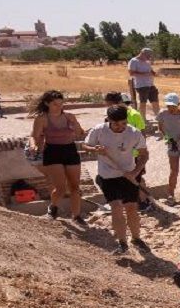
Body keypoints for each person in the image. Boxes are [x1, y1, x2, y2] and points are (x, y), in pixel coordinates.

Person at [83, 105, 151, 256]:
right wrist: (95, 150)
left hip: (129, 174)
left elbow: (144, 154)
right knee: (116, 206)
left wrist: (134, 172)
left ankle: (136, 238)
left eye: (123, 123)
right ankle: (122, 243)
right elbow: (85, 145)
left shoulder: (134, 133)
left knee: (132, 208)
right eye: (116, 124)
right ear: (109, 120)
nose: (121, 127)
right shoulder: (99, 130)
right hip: (107, 176)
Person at [30, 90, 87, 224]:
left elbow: (80, 134)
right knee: (60, 188)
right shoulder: (42, 118)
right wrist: (34, 146)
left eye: (61, 104)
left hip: (70, 150)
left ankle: (76, 215)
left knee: (75, 187)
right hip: (53, 151)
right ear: (47, 104)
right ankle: (53, 207)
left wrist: (76, 123)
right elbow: (34, 136)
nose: (59, 107)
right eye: (55, 104)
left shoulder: (69, 116)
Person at [104, 91, 154, 211]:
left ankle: (144, 201)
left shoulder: (134, 114)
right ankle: (129, 201)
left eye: (108, 104)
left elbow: (141, 134)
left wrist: (138, 150)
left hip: (133, 154)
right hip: (119, 154)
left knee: (137, 177)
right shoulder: (110, 115)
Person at [127, 47, 159, 122]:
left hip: (151, 84)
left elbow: (150, 70)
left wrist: (154, 73)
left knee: (155, 101)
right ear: (142, 53)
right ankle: (143, 119)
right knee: (143, 102)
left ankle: (159, 118)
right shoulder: (134, 61)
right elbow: (131, 73)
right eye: (148, 55)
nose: (149, 57)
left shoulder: (147, 61)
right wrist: (145, 74)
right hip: (141, 85)